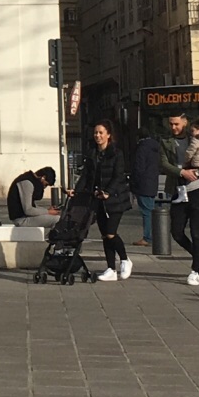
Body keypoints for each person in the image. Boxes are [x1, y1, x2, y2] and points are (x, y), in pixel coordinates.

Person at [160, 110, 199, 287]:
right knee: (177, 232)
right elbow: (164, 163)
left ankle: (196, 270)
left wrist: (198, 173)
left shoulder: (198, 136)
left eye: (177, 124)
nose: (173, 127)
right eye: (171, 124)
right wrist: (181, 172)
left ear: (185, 123)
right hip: (178, 188)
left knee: (196, 230)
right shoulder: (166, 142)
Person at [77, 120, 133, 282]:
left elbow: (118, 176)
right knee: (104, 235)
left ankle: (124, 259)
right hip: (98, 199)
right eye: (95, 133)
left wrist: (108, 192)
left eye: (101, 132)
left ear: (108, 135)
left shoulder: (116, 153)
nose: (98, 136)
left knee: (110, 232)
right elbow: (86, 176)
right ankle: (110, 269)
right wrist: (76, 190)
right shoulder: (92, 153)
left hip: (115, 199)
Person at [131, 134, 161, 246]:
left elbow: (139, 166)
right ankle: (155, 236)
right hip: (153, 182)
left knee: (146, 212)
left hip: (143, 184)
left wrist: (134, 182)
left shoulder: (142, 148)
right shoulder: (156, 148)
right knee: (150, 210)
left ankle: (148, 237)